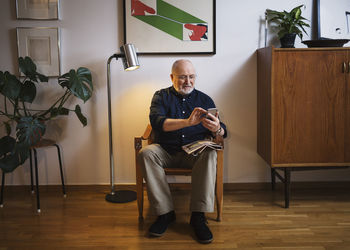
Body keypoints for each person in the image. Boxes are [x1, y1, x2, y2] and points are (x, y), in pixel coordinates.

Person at [137, 59, 227, 244]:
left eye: (191, 76)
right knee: (145, 153)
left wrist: (217, 128)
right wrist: (188, 122)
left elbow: (223, 131)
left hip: (194, 154)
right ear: (172, 77)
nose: (188, 81)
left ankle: (198, 216)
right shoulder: (160, 96)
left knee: (210, 152)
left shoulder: (204, 99)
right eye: (182, 77)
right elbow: (157, 122)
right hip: (165, 150)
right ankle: (165, 213)